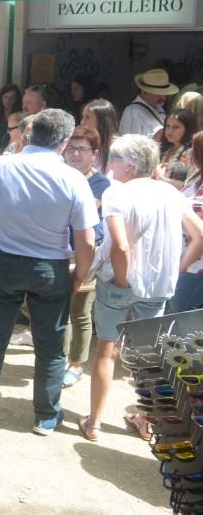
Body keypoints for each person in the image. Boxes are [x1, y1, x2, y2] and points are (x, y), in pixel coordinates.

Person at [0, 109, 98, 436]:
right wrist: (79, 276)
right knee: (50, 346)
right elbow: (87, 240)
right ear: (63, 143)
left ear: (29, 134)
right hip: (50, 268)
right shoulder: (74, 179)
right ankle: (46, 416)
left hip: (5, 261)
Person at [80, 135, 203, 441]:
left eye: (114, 158)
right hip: (158, 285)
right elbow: (199, 236)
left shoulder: (117, 193)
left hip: (121, 282)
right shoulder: (171, 194)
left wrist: (121, 280)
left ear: (130, 165)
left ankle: (94, 423)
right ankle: (148, 421)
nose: (109, 164)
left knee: (106, 351)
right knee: (151, 357)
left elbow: (120, 246)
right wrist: (175, 270)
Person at [60, 126, 111, 389]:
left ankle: (76, 364)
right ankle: (59, 359)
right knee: (58, 310)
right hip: (57, 250)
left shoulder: (101, 183)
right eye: (71, 148)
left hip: (87, 251)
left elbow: (83, 212)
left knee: (80, 312)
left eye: (82, 149)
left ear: (94, 153)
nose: (76, 154)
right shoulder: (59, 174)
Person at [172, 131, 203, 313]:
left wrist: (180, 269)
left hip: (194, 268)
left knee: (179, 328)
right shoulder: (195, 178)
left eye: (195, 148)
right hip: (185, 261)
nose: (190, 152)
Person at [119, 68, 178, 136]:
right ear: (144, 92)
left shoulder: (158, 108)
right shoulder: (133, 115)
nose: (164, 97)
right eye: (158, 93)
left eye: (165, 93)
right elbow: (130, 145)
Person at [158, 108, 197, 189]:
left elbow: (189, 186)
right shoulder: (166, 149)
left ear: (188, 130)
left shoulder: (192, 153)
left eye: (176, 127)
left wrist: (160, 177)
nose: (169, 131)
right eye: (167, 126)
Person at [81, 98, 120, 174]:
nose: (82, 122)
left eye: (87, 117)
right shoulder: (85, 143)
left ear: (102, 120)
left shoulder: (118, 147)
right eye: (82, 117)